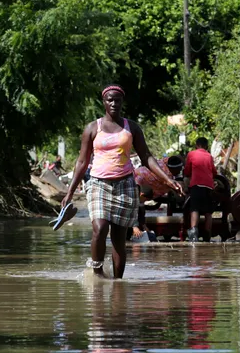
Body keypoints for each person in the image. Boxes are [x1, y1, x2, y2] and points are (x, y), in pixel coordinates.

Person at [62, 84, 184, 279]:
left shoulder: (132, 128)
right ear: (103, 102)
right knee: (100, 228)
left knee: (119, 238)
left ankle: (118, 284)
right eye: (109, 100)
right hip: (98, 184)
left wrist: (169, 180)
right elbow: (82, 162)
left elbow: (147, 157)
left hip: (125, 185)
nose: (113, 103)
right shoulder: (92, 128)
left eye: (117, 100)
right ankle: (97, 273)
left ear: (122, 102)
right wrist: (69, 193)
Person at [131, 155, 183, 239]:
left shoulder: (164, 163)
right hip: (137, 181)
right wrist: (135, 227)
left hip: (140, 180)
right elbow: (132, 210)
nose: (180, 170)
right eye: (179, 169)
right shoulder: (166, 176)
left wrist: (144, 227)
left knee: (140, 208)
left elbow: (141, 212)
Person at [184, 137, 217, 242]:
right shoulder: (209, 156)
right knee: (208, 212)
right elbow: (214, 172)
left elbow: (187, 171)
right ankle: (207, 234)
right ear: (207, 146)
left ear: (196, 145)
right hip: (208, 187)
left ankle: (194, 233)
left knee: (195, 209)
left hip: (196, 186)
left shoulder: (191, 154)